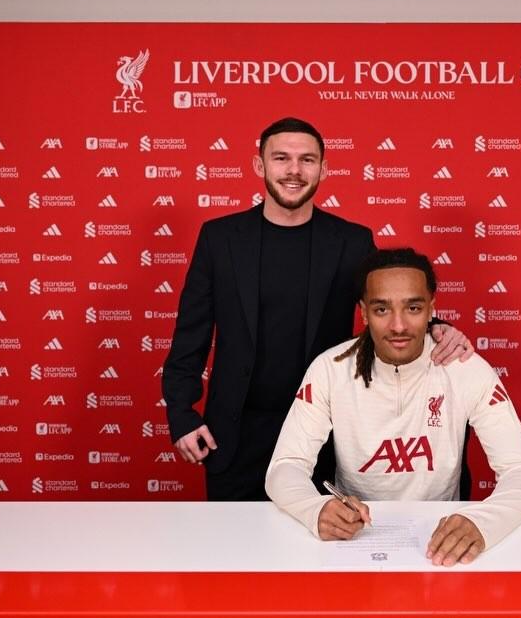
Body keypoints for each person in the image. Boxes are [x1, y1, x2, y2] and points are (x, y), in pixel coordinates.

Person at [162, 117, 472, 501]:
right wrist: (182, 414)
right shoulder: (219, 239)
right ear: (259, 165)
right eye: (281, 158)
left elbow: (389, 302)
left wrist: (437, 327)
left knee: (323, 539)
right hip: (236, 436)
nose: (294, 170)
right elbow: (190, 336)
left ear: (323, 169)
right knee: (235, 540)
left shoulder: (351, 241)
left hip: (325, 431)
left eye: (307, 160)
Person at [266, 248, 521, 565]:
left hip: (439, 541)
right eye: (381, 309)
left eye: (413, 308)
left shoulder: (466, 368)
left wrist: (483, 521)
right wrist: (315, 508)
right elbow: (285, 467)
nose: (398, 326)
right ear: (363, 312)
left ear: (431, 309)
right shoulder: (330, 369)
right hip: (353, 540)